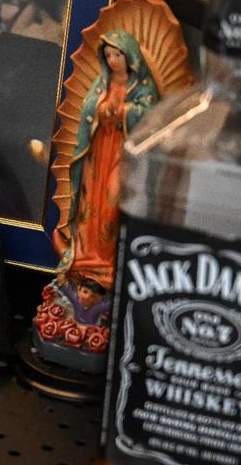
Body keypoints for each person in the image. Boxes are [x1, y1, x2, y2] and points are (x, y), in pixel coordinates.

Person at [52, 29, 159, 299]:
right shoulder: (102, 83)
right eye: (108, 55)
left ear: (129, 56)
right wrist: (99, 108)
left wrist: (124, 111)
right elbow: (89, 108)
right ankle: (87, 257)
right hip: (99, 152)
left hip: (123, 156)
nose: (112, 61)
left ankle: (109, 261)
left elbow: (150, 117)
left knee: (113, 204)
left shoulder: (143, 88)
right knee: (91, 205)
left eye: (117, 54)